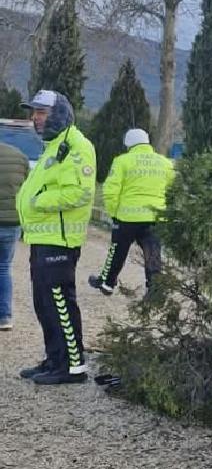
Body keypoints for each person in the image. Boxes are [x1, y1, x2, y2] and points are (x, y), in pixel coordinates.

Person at [15, 89, 96, 384]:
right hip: (43, 238)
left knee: (60, 302)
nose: (35, 118)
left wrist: (38, 201)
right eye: (33, 112)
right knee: (44, 303)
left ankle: (72, 368)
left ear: (59, 113)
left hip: (59, 240)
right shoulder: (53, 146)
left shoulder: (77, 145)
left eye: (41, 112)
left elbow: (81, 192)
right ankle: (55, 359)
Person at [90, 128, 174, 295]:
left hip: (127, 217)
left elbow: (110, 190)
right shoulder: (165, 163)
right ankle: (154, 290)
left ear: (128, 144)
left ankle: (107, 283)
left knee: (117, 251)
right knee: (153, 253)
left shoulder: (122, 161)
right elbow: (172, 190)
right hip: (155, 217)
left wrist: (114, 213)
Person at [0, 136, 30, 331]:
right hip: (12, 222)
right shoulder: (20, 156)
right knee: (3, 268)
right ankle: (4, 317)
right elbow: (28, 188)